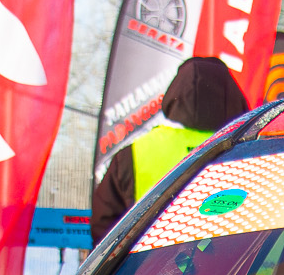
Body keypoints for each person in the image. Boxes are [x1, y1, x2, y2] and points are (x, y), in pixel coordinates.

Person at [89, 57, 251, 247]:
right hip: (230, 261)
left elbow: (104, 225)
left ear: (176, 94)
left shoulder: (135, 152)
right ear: (232, 97)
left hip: (149, 261)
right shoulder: (249, 149)